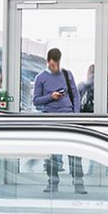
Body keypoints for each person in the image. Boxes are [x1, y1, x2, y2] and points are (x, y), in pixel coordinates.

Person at [32, 47, 86, 194]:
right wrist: (51, 96)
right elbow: (35, 101)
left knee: (74, 151)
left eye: (56, 65)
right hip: (50, 118)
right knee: (52, 152)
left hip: (68, 117)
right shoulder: (40, 78)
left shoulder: (67, 75)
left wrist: (75, 114)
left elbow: (75, 95)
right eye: (52, 65)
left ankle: (78, 183)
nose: (54, 68)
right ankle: (52, 183)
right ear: (47, 62)